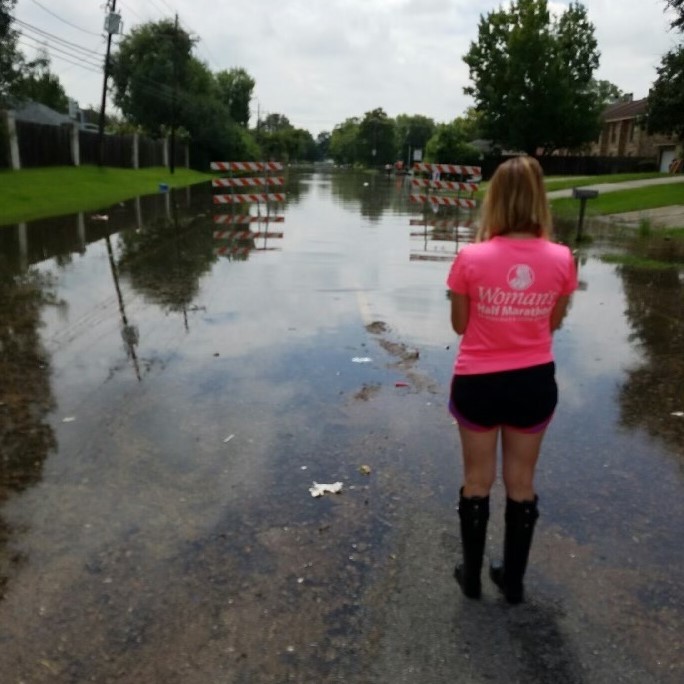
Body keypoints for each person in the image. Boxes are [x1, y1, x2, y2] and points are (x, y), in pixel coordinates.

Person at [446, 156, 577, 604]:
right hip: (532, 382)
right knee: (521, 482)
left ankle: (472, 578)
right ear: (540, 198)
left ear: (495, 199)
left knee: (477, 480)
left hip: (478, 383)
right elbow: (551, 323)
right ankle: (514, 581)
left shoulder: (470, 257)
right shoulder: (562, 259)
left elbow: (460, 326)